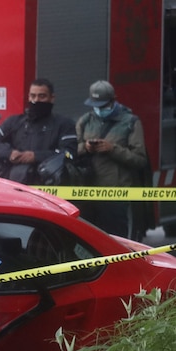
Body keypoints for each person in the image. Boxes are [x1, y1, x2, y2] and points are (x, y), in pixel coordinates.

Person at [75, 80, 148, 238]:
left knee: (114, 241)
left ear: (113, 100)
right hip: (87, 191)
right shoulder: (85, 121)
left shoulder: (130, 122)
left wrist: (112, 149)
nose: (99, 110)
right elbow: (70, 151)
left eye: (103, 106)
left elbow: (140, 160)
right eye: (96, 106)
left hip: (115, 194)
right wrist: (85, 147)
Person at [0, 78, 77, 184]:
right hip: (14, 184)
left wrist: (35, 156)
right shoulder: (15, 122)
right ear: (29, 97)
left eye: (42, 96)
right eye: (33, 96)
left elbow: (69, 154)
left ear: (52, 98)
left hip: (49, 186)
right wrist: (9, 153)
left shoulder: (65, 124)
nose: (36, 100)